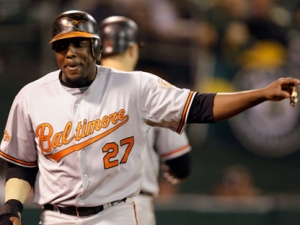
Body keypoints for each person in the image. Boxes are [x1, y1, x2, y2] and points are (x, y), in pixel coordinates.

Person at [0, 10, 299, 225]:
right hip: (55, 217)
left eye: (79, 43)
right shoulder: (32, 96)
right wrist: (11, 208)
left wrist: (260, 94)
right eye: (62, 46)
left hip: (115, 215)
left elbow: (200, 107)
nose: (70, 53)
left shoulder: (136, 85)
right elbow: (20, 165)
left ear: (96, 47)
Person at [99, 16, 192, 225]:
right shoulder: (152, 90)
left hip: (78, 211)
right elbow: (181, 164)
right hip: (132, 207)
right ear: (133, 49)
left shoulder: (75, 92)